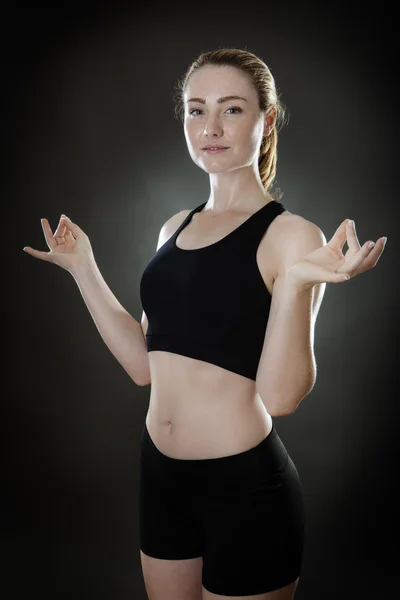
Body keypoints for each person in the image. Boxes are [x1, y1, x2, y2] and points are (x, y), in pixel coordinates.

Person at [23, 48, 387, 600]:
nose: (211, 127)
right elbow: (144, 366)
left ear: (266, 121)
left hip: (244, 487)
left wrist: (294, 285)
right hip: (160, 477)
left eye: (232, 110)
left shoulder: (293, 236)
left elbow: (282, 397)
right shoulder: (173, 227)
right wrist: (84, 268)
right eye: (197, 110)